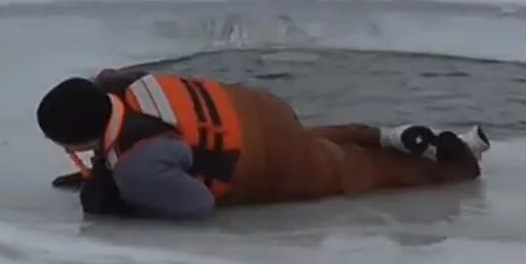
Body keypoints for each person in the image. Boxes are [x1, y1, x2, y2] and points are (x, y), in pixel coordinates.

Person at [36, 68, 489, 219]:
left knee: (356, 171)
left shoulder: (136, 166)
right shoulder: (130, 85)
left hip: (274, 162)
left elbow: (195, 204)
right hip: (262, 113)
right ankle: (385, 135)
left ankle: (457, 162)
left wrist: (123, 194)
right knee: (316, 140)